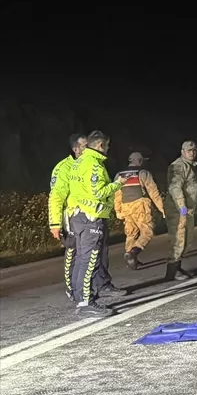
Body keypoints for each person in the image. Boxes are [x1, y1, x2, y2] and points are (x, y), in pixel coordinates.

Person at [64, 130, 127, 317]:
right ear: (100, 145)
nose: (107, 149)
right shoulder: (95, 165)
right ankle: (86, 303)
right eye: (106, 146)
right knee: (89, 260)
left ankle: (79, 298)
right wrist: (118, 183)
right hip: (90, 217)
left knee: (81, 259)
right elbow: (99, 192)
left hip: (77, 216)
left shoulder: (79, 162)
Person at [48, 132, 87, 297]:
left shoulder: (89, 164)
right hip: (70, 217)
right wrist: (55, 224)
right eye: (85, 146)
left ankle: (88, 288)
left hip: (88, 217)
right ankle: (71, 288)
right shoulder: (64, 168)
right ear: (76, 148)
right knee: (72, 251)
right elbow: (56, 197)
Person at [112, 152, 166, 268]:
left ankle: (131, 259)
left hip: (126, 208)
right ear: (140, 161)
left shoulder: (119, 175)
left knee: (131, 234)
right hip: (140, 206)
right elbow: (153, 193)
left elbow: (117, 195)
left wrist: (118, 211)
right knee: (147, 232)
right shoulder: (143, 173)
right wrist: (163, 209)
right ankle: (133, 252)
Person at [165, 140, 197, 281]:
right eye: (189, 150)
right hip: (178, 210)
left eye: (194, 150)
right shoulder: (179, 166)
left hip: (188, 210)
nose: (192, 153)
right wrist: (182, 207)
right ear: (182, 152)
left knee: (187, 240)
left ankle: (177, 267)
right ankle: (171, 272)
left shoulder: (190, 166)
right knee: (178, 240)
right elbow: (175, 187)